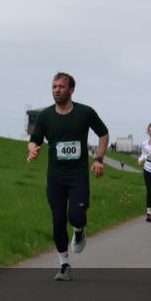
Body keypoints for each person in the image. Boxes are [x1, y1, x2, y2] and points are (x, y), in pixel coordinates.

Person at [27, 72, 109, 281]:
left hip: (78, 176)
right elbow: (34, 139)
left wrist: (99, 159)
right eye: (54, 86)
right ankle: (64, 264)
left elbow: (103, 133)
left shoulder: (85, 112)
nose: (57, 90)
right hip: (55, 177)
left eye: (61, 87)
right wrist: (33, 149)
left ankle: (79, 230)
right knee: (57, 220)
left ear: (71, 89)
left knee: (76, 216)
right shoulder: (45, 116)